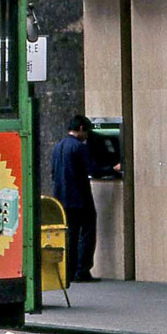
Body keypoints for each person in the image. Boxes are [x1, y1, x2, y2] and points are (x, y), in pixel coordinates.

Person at [51, 115, 98, 283]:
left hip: (62, 198)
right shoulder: (79, 147)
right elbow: (92, 169)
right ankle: (82, 270)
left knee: (70, 235)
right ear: (80, 128)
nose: (86, 136)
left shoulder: (58, 146)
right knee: (87, 232)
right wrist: (113, 168)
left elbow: (53, 173)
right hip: (80, 198)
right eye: (86, 131)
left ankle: (69, 272)